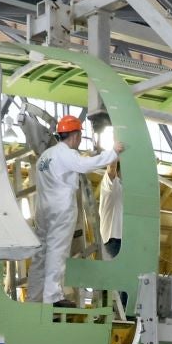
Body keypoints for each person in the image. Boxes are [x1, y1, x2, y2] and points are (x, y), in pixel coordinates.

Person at [29, 114, 122, 306]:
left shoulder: (44, 158)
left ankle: (34, 297)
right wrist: (113, 153)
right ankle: (52, 297)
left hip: (43, 209)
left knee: (40, 255)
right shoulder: (66, 154)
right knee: (58, 250)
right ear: (75, 135)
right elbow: (85, 164)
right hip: (61, 209)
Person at [98, 160, 123, 260]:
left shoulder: (122, 189)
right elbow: (111, 168)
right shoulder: (111, 183)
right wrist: (115, 152)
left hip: (120, 240)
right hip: (112, 241)